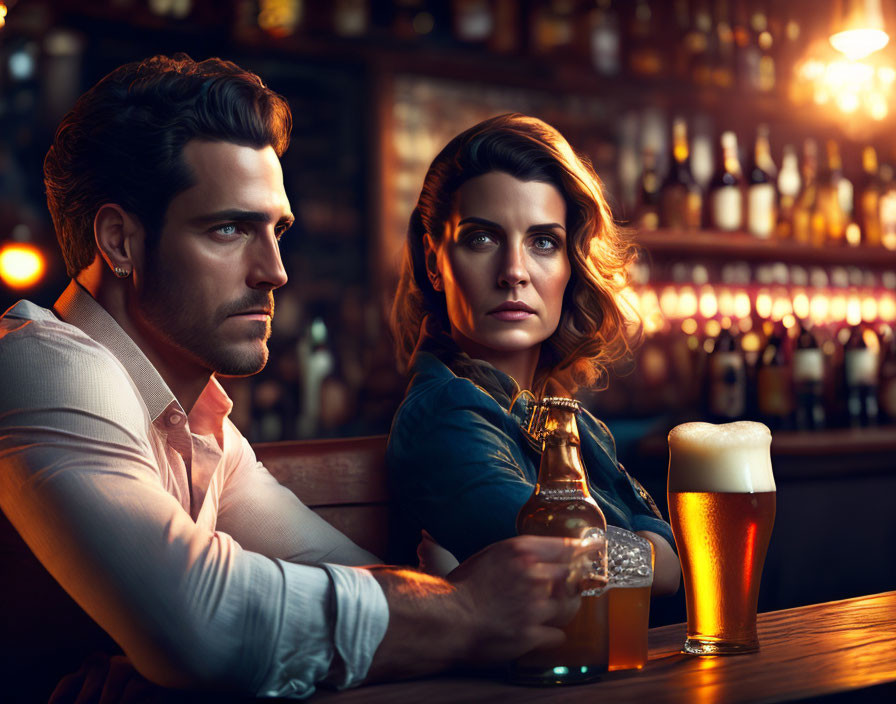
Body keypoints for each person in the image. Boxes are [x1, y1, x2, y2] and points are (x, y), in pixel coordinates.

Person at [0, 57, 589, 701]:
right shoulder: (39, 363)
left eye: (276, 230)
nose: (275, 271)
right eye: (228, 229)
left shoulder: (204, 431)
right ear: (118, 242)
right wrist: (466, 613)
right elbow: (202, 622)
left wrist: (446, 605)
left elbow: (347, 576)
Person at [388, 114, 680, 593]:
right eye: (481, 238)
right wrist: (639, 552)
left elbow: (673, 558)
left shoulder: (567, 419)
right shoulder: (445, 413)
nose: (514, 272)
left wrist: (631, 554)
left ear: (572, 264)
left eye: (543, 242)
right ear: (433, 261)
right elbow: (573, 564)